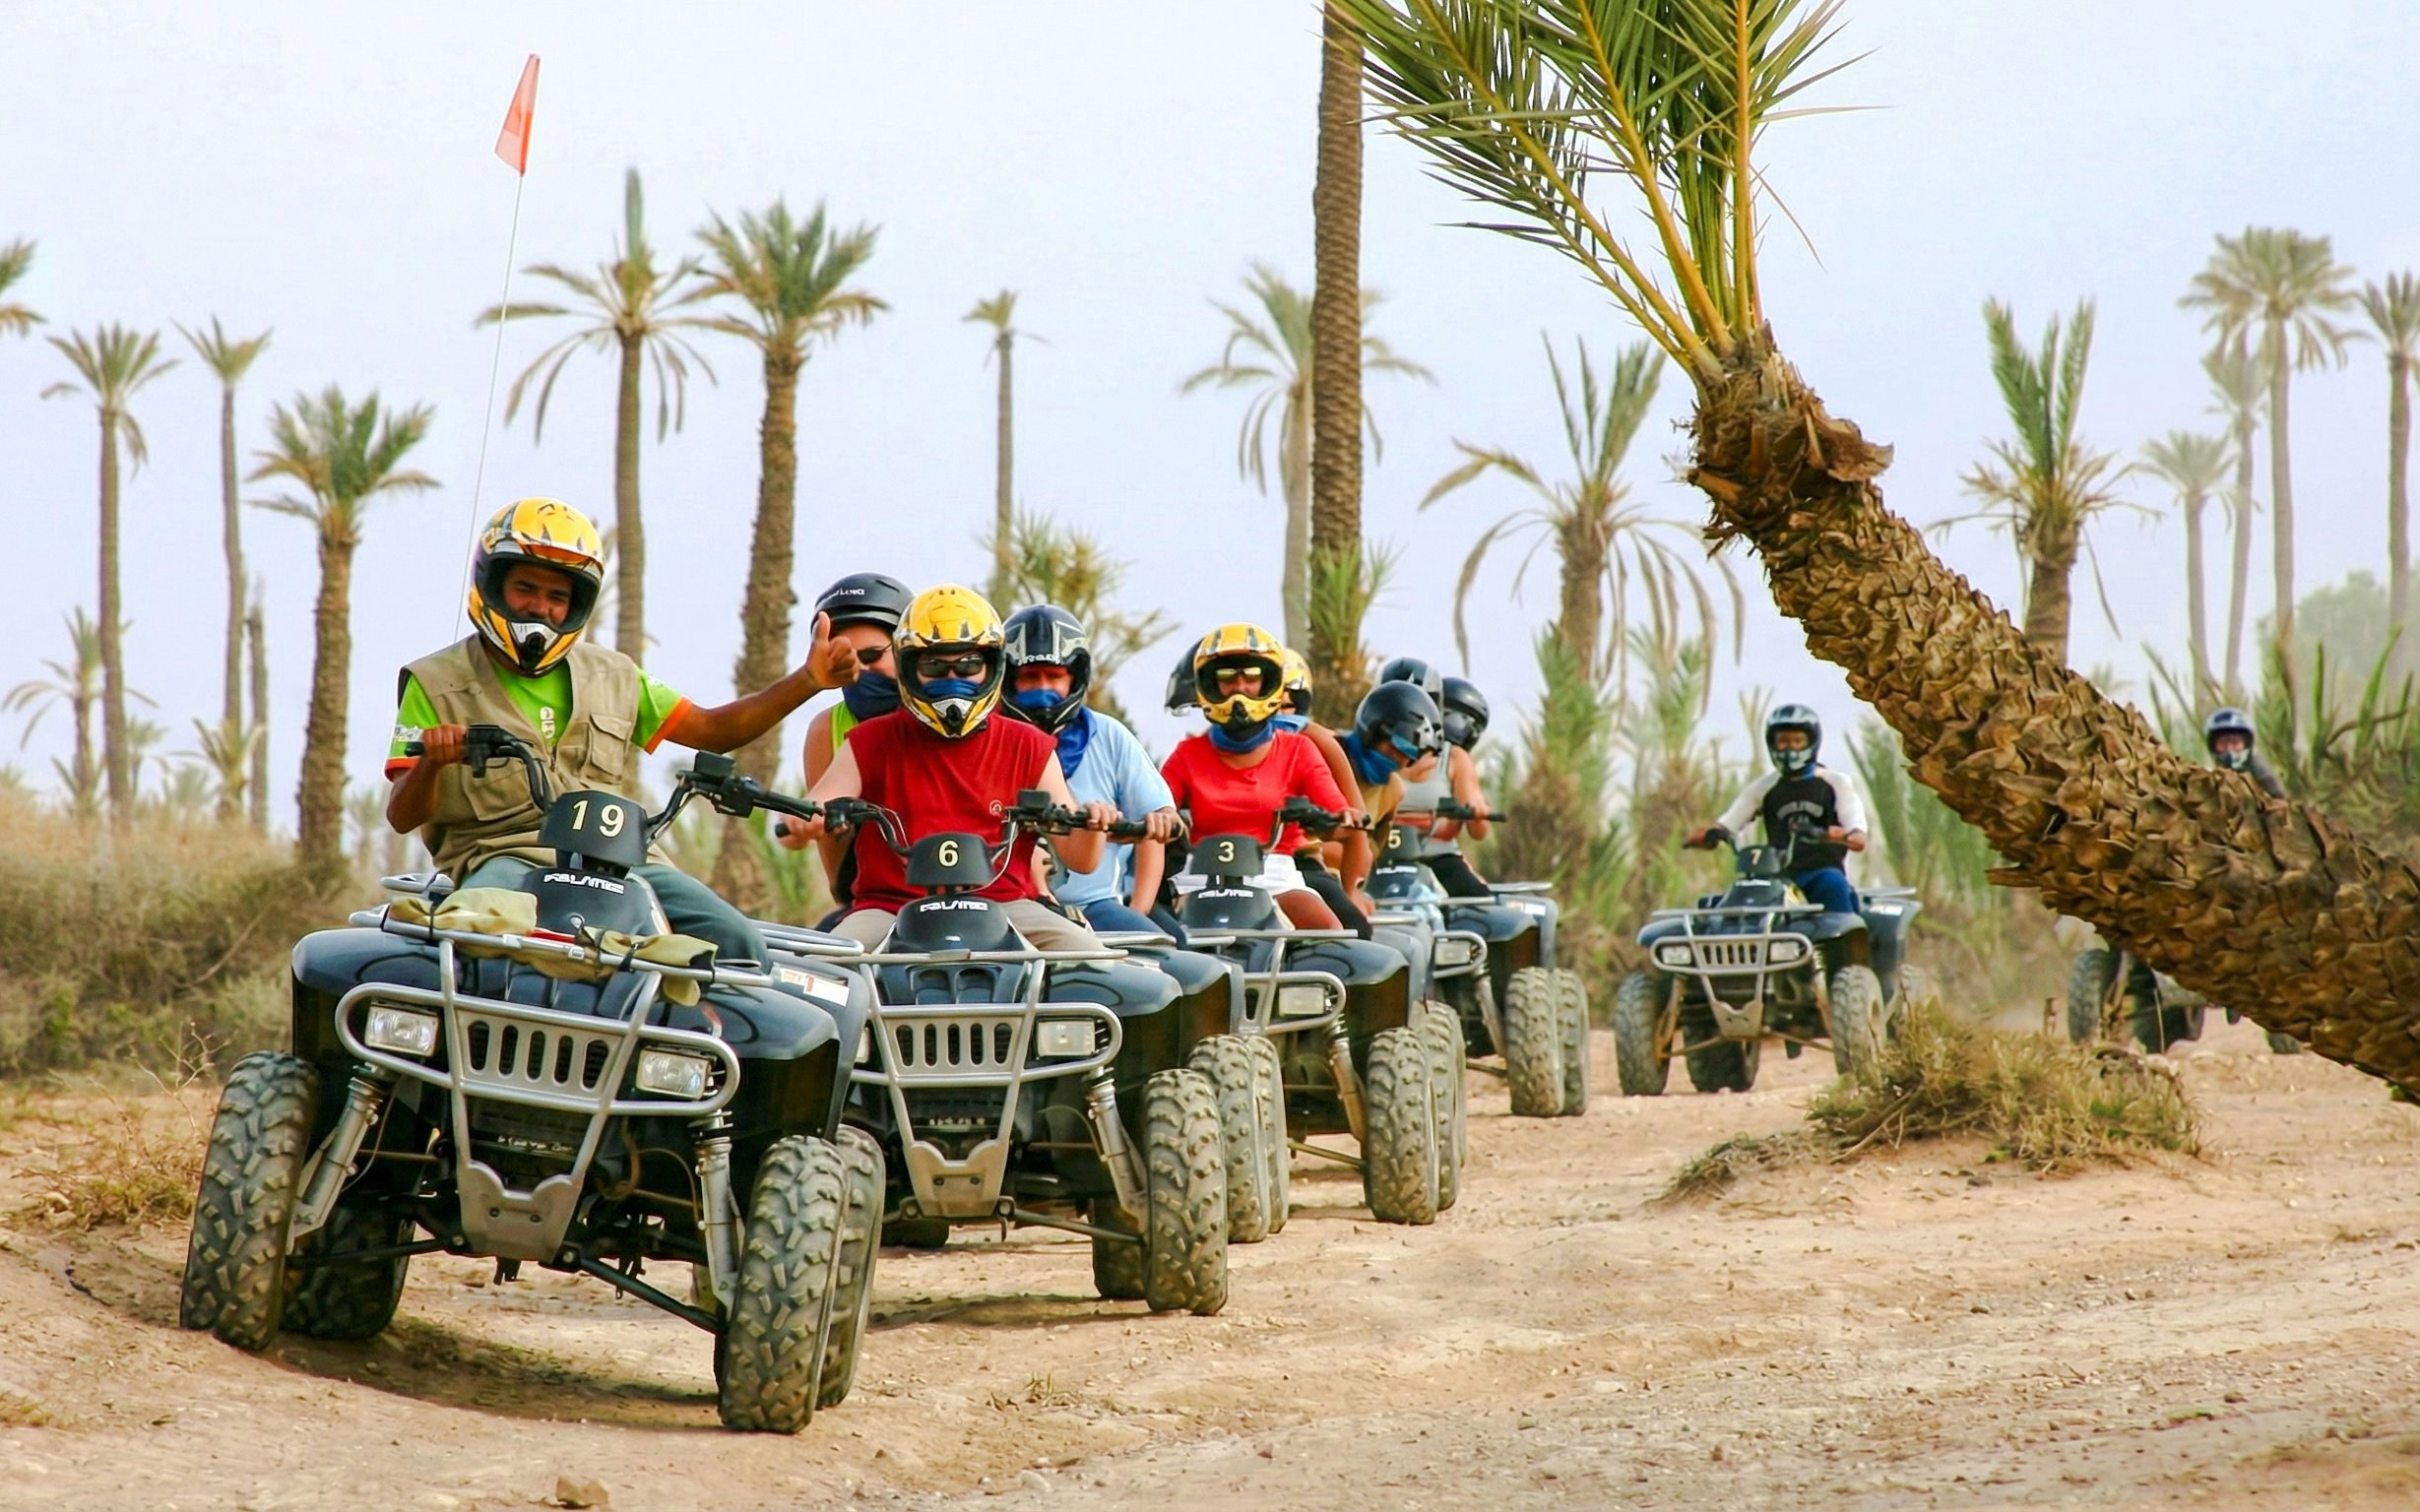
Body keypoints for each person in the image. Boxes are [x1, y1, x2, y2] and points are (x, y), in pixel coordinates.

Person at [385, 497, 857, 964]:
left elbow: (715, 730)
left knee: (735, 941)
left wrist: (809, 680)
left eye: (558, 597)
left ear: (578, 604)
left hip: (621, 858)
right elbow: (402, 816)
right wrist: (431, 761)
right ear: (492, 584)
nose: (541, 608)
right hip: (504, 857)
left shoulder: (614, 675)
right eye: (525, 588)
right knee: (473, 933)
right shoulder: (434, 680)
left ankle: (697, 1037)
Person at [781, 585, 1116, 951]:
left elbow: (1081, 859)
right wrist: (803, 822)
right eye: (934, 666)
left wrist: (1094, 821)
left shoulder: (1029, 744)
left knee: (1094, 964)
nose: (952, 679)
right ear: (909, 669)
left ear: (992, 666)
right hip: (888, 910)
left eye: (969, 665)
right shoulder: (868, 741)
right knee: (826, 975)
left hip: (1007, 907)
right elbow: (808, 812)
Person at [1160, 623, 1362, 930]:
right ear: (1208, 686)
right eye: (1227, 677)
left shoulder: (1300, 749)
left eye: (1251, 677)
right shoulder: (1186, 754)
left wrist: (1339, 818)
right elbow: (1157, 805)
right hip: (1199, 878)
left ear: (1269, 681)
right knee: (1173, 948)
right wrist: (1158, 819)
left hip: (1275, 874)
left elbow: (1337, 811)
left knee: (1334, 936)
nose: (1240, 687)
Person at [999, 602, 1182, 937]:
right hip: (1005, 905)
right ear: (1008, 680)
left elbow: (1158, 815)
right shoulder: (991, 738)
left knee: (1165, 952)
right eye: (1029, 677)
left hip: (1094, 906)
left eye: (1054, 677)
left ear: (1075, 677)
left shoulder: (1108, 734)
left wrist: (1137, 910)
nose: (1043, 689)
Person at [1686, 704, 1869, 916]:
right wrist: (1710, 835)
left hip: (1821, 873)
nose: (1790, 749)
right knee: (1730, 908)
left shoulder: (1836, 783)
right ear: (1772, 744)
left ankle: (1847, 947)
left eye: (1797, 741)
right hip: (1777, 878)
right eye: (1783, 742)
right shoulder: (1763, 788)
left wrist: (1834, 834)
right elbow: (1728, 823)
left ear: (1811, 742)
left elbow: (1858, 838)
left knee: (1834, 889)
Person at [798, 571, 915, 900]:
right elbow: (838, 879)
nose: (859, 670)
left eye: (872, 656)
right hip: (879, 902)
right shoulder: (826, 729)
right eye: (843, 660)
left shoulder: (952, 717)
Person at [1270, 646, 1376, 936]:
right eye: (1269, 701)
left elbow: (1357, 824)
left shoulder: (1316, 740)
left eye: (1286, 706)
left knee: (1354, 933)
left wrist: (1352, 891)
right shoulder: (1211, 744)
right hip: (1225, 864)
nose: (1277, 713)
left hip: (1298, 863)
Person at [1419, 674, 1497, 899]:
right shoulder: (1391, 750)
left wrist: (1476, 812)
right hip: (1384, 855)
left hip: (1437, 858)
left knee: (1480, 906)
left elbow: (1478, 830)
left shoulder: (1455, 758)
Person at [2204, 706, 2286, 798]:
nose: (2229, 748)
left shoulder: (2261, 772)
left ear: (2247, 744)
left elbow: (2280, 803)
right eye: (2223, 743)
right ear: (2212, 746)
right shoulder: (2208, 776)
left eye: (2235, 742)